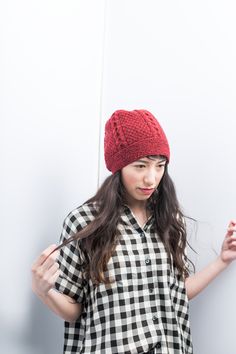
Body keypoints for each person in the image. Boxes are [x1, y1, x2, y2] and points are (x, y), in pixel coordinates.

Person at [31, 109, 236, 354]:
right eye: (140, 166)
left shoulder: (167, 219)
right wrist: (44, 292)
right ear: (118, 167)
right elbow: (74, 309)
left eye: (160, 166)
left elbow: (174, 295)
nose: (151, 178)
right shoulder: (85, 222)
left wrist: (222, 261)